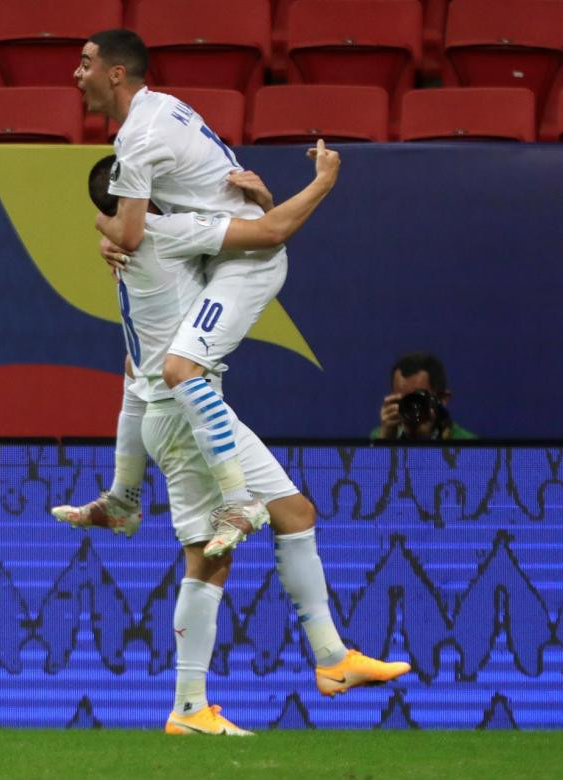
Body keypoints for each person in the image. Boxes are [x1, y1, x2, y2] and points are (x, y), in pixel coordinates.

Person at [55, 139, 411, 734]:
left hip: (182, 406)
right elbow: (270, 234)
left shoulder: (138, 239)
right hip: (182, 413)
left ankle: (330, 660)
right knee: (211, 558)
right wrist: (323, 180)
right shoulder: (165, 234)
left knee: (293, 514)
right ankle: (194, 707)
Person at [73, 28, 290, 553]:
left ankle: (240, 498)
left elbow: (128, 231)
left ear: (115, 73)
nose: (77, 75)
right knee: (142, 368)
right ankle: (125, 497)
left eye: (85, 64)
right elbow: (207, 193)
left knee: (179, 370)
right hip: (220, 252)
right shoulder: (165, 106)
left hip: (246, 260)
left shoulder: (137, 139)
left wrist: (100, 228)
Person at [373, 353, 475, 442]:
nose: (410, 406)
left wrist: (424, 441)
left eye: (418, 399)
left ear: (443, 399)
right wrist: (385, 442)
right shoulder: (380, 437)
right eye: (402, 400)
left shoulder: (468, 446)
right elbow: (369, 464)